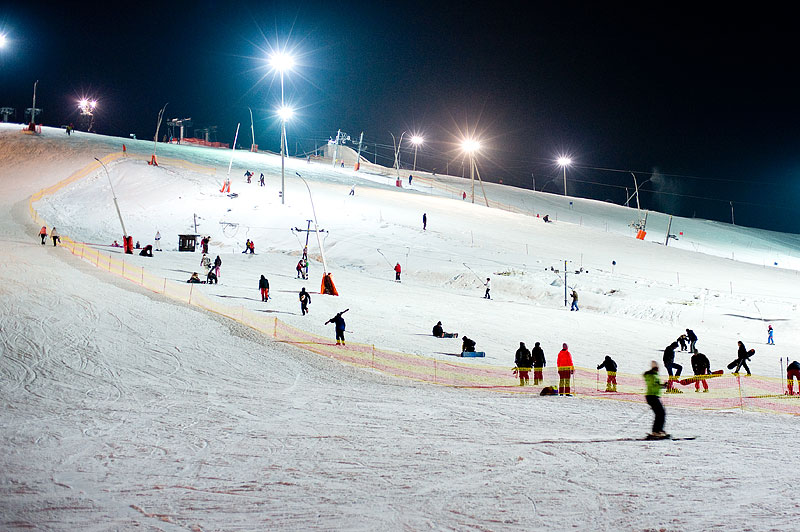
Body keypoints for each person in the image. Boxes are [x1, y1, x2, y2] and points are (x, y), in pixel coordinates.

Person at [644, 361, 668, 439]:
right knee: (660, 413)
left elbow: (655, 385)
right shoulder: (652, 376)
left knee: (660, 413)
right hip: (652, 396)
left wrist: (662, 386)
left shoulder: (653, 375)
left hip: (653, 396)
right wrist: (662, 386)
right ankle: (656, 431)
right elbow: (654, 386)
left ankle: (658, 430)